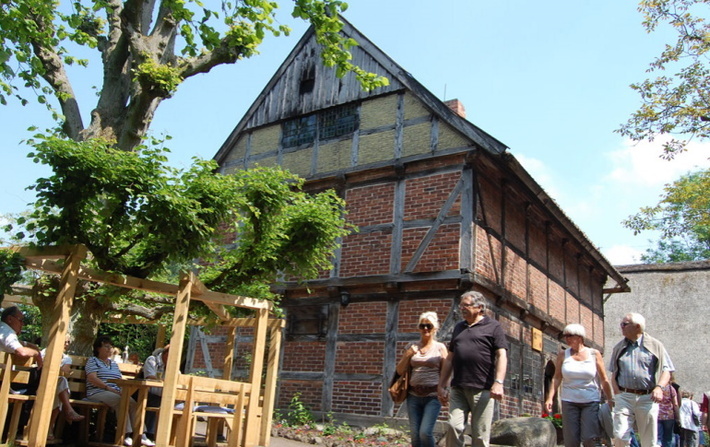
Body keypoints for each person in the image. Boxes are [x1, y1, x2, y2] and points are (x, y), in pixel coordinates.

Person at [438, 291, 508, 447]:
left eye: (466, 305)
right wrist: (441, 384)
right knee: (453, 426)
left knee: (480, 435)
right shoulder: (459, 327)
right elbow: (450, 358)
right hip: (459, 387)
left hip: (482, 389)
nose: (461, 308)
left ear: (479, 307)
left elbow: (502, 355)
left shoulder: (493, 327)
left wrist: (498, 382)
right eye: (461, 305)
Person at [0, 307, 84, 434]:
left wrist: (30, 345)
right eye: (21, 320)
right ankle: (46, 428)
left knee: (56, 382)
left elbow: (18, 344)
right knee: (55, 381)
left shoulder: (4, 330)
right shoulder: (7, 332)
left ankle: (59, 418)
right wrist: (38, 355)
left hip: (7, 379)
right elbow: (21, 351)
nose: (23, 324)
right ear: (10, 319)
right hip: (7, 384)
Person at [609, 313, 675, 447]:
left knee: (649, 441)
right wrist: (617, 393)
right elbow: (614, 372)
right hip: (624, 396)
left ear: (637, 326)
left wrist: (659, 387)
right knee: (620, 436)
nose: (621, 327)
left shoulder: (655, 345)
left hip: (647, 397)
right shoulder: (618, 347)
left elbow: (667, 370)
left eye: (624, 324)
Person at [544, 323, 614, 447]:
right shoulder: (563, 355)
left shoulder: (594, 354)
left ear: (580, 337)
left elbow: (604, 379)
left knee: (589, 438)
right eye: (565, 336)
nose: (567, 339)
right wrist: (550, 398)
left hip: (590, 400)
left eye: (570, 336)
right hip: (569, 400)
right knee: (571, 440)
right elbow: (556, 377)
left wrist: (610, 398)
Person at [84, 336, 154, 446]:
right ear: (98, 348)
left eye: (111, 347)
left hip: (115, 391)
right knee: (121, 402)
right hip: (98, 391)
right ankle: (125, 434)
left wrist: (124, 388)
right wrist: (108, 388)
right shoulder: (93, 360)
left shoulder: (113, 364)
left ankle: (141, 435)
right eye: (106, 347)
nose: (109, 349)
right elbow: (92, 378)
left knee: (134, 403)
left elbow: (119, 378)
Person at [395, 312, 448, 447]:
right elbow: (400, 370)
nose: (425, 329)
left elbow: (446, 372)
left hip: (432, 396)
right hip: (413, 396)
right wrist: (407, 355)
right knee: (415, 434)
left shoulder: (440, 348)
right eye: (422, 325)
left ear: (435, 328)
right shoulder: (411, 347)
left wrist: (444, 390)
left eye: (429, 326)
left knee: (425, 432)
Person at [142, 345, 170, 442]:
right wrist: (165, 381)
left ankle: (165, 436)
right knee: (156, 401)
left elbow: (178, 378)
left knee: (174, 403)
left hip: (161, 394)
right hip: (143, 392)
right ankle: (150, 433)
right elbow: (150, 376)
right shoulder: (152, 360)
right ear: (166, 354)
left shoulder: (171, 365)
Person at [657, 382, 679, 447]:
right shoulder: (671, 388)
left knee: (658, 437)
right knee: (669, 438)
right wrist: (678, 417)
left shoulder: (656, 388)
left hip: (657, 415)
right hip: (669, 416)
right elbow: (675, 404)